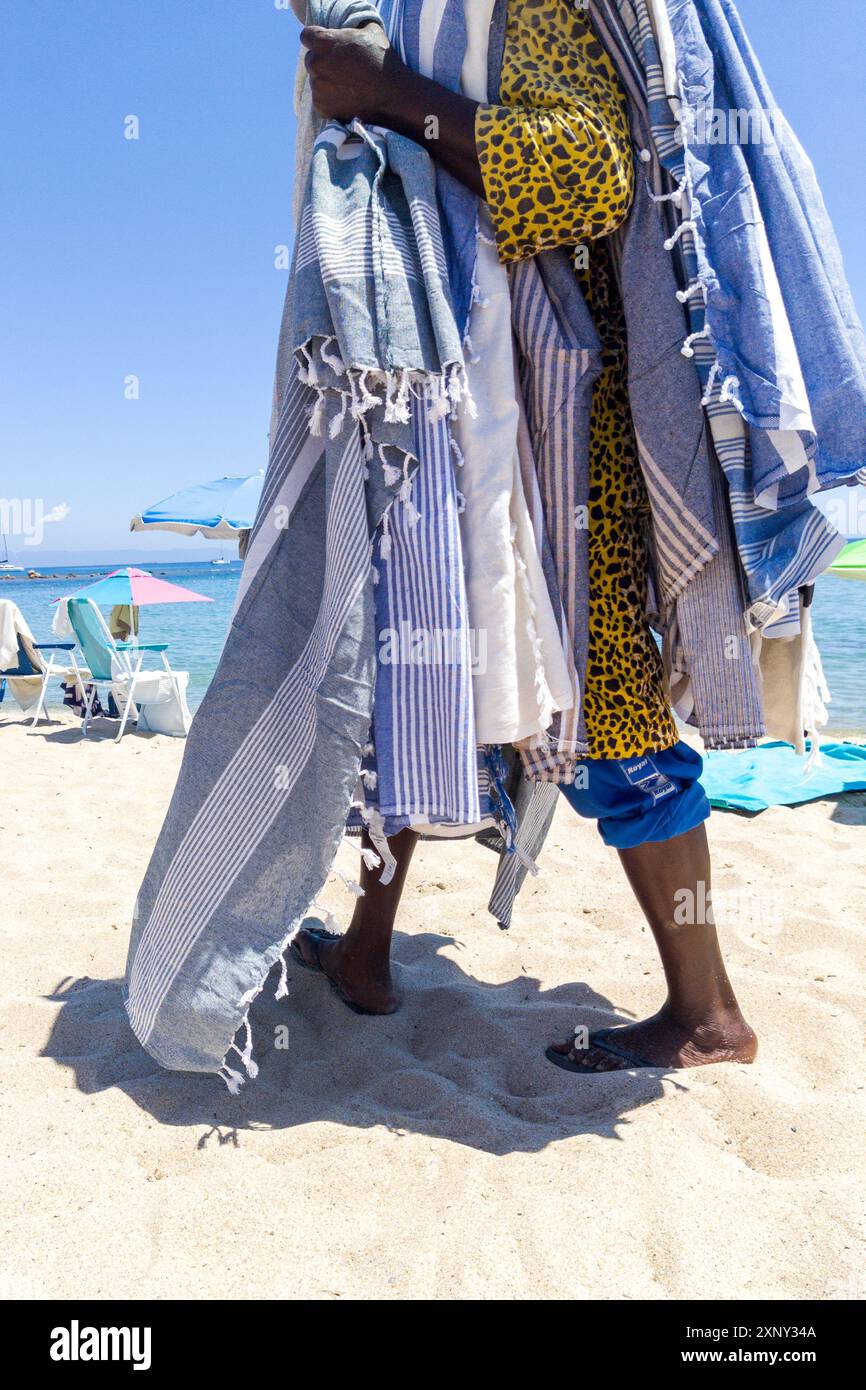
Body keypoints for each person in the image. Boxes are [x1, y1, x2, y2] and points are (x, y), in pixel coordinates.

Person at [290, 1, 758, 1074]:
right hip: (440, 392)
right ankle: (364, 953)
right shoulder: (413, 17)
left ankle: (706, 1013)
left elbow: (584, 171)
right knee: (412, 671)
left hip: (553, 419)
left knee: (614, 716)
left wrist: (386, 97)